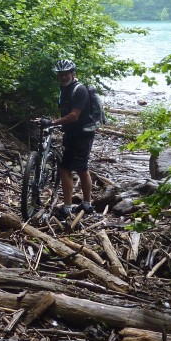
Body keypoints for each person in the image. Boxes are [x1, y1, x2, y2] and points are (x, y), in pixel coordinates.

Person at [40, 59, 96, 220]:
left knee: (65, 169)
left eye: (66, 74)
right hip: (73, 135)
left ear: (73, 73)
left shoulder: (79, 90)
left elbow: (74, 116)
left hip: (82, 136)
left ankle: (67, 208)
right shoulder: (65, 89)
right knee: (82, 168)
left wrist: (52, 123)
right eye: (60, 74)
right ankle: (87, 205)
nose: (63, 77)